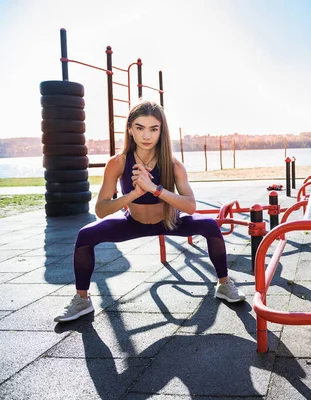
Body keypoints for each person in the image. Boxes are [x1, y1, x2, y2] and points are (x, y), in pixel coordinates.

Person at [54, 100, 245, 323]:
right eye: (140, 128)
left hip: (169, 221)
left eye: (153, 129)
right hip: (132, 222)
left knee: (210, 226)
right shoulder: (117, 163)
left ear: (161, 131)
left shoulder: (173, 164)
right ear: (130, 129)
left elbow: (190, 206)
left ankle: (223, 284)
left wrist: (155, 189)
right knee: (85, 235)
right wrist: (133, 194)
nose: (147, 136)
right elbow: (101, 210)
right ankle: (82, 299)